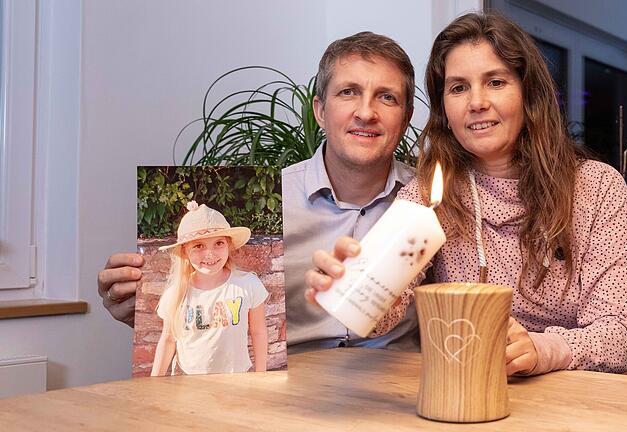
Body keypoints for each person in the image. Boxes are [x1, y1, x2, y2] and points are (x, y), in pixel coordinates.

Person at [307, 12, 627, 376]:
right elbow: (387, 310)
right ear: (444, 109)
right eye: (458, 87)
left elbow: (622, 336)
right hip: (465, 392)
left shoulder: (596, 188)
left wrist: (542, 350)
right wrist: (356, 291)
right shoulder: (431, 195)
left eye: (496, 82)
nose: (476, 102)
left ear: (528, 94)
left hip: (576, 402)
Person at [97, 31, 420, 352]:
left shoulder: (433, 205)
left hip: (393, 390)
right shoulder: (279, 197)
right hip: (286, 392)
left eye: (387, 96)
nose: (366, 112)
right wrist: (142, 311)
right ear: (320, 111)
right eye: (348, 92)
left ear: (405, 119)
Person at [151, 201, 269, 375]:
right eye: (199, 246)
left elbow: (258, 332)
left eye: (219, 243)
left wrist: (262, 375)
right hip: (189, 382)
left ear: (228, 245)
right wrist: (154, 383)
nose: (210, 254)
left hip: (236, 381)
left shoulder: (248, 285)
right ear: (185, 251)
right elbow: (168, 340)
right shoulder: (176, 293)